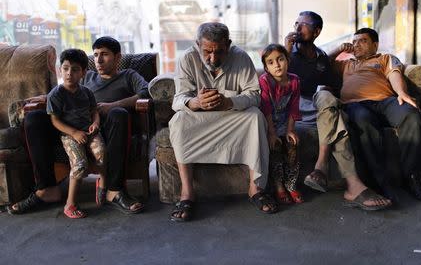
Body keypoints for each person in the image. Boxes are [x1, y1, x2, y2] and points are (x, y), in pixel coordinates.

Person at [7, 36, 147, 215]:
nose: (98, 60)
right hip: (73, 126)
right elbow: (65, 91)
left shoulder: (129, 76)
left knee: (118, 114)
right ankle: (47, 189)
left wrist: (112, 106)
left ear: (118, 57)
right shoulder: (86, 76)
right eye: (95, 55)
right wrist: (45, 98)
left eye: (104, 54)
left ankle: (114, 190)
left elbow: (145, 92)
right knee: (34, 118)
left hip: (109, 125)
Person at [169, 22, 278, 222]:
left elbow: (254, 95)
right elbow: (178, 99)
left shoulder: (241, 57)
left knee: (255, 117)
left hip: (231, 116)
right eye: (207, 52)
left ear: (227, 45)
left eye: (219, 52)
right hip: (200, 117)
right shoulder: (187, 58)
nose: (213, 58)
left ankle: (255, 188)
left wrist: (229, 102)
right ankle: (187, 193)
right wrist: (195, 102)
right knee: (178, 121)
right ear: (197, 45)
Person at [284, 11, 391, 210]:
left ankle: (330, 173)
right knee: (337, 119)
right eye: (295, 23)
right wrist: (286, 53)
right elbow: (273, 83)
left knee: (328, 100)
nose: (297, 28)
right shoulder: (286, 53)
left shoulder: (322, 58)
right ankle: (347, 182)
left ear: (316, 31)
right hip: (295, 110)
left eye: (303, 24)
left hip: (320, 108)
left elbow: (333, 83)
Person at [332, 27, 421, 202]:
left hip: (384, 101)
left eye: (362, 41)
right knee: (363, 121)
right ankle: (382, 183)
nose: (357, 45)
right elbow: (322, 62)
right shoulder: (346, 64)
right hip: (355, 104)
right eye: (354, 41)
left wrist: (401, 92)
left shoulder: (385, 58)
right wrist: (340, 48)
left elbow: (394, 74)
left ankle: (413, 178)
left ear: (375, 45)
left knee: (410, 114)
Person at [47, 49, 106, 219]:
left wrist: (96, 123)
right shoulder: (56, 95)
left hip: (90, 131)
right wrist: (74, 133)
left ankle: (102, 182)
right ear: (60, 70)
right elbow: (55, 121)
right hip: (70, 135)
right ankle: (70, 204)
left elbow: (94, 111)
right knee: (79, 164)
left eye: (74, 70)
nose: (69, 73)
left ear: (83, 73)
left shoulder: (86, 92)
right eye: (65, 68)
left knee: (102, 153)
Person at [259, 44, 303, 204]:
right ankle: (278, 186)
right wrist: (271, 133)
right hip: (268, 122)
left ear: (287, 60)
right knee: (275, 147)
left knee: (292, 144)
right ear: (266, 67)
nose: (277, 65)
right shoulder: (265, 81)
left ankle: (291, 185)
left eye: (280, 59)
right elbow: (266, 108)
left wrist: (290, 130)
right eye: (270, 62)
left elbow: (294, 107)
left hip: (284, 121)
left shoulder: (294, 80)